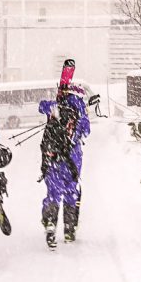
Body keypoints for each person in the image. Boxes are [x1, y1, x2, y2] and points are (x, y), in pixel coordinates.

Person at [38, 82, 91, 249]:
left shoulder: (55, 106)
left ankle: (50, 224)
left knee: (53, 193)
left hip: (53, 158)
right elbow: (86, 131)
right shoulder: (81, 109)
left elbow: (41, 106)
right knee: (71, 192)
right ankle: (69, 230)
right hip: (73, 160)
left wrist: (56, 104)